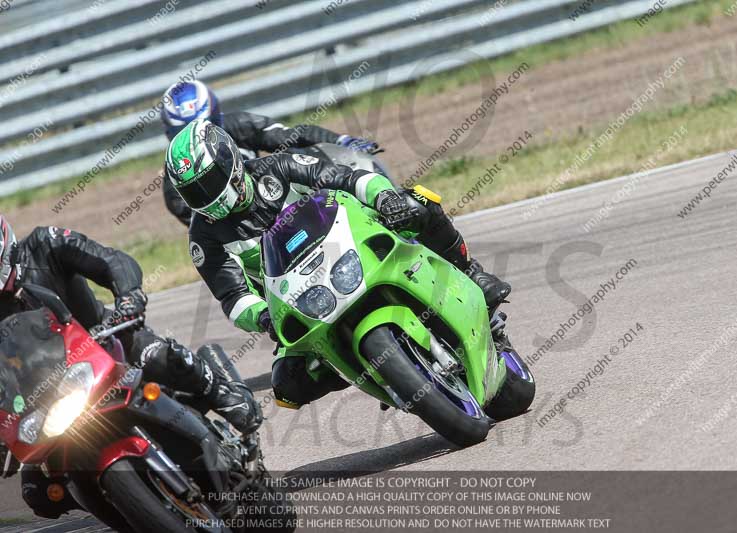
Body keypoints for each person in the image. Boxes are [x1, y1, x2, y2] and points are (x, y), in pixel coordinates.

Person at [165, 119, 512, 409]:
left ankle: (470, 272)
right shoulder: (204, 238)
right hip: (298, 300)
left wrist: (384, 196)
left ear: (230, 163)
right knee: (289, 386)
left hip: (351, 247)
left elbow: (345, 177)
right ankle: (381, 372)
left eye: (209, 182)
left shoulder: (278, 167)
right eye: (195, 191)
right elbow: (233, 297)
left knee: (417, 201)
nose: (206, 195)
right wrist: (263, 316)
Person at [0, 216, 261, 519]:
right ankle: (128, 508)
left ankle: (225, 391)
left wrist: (129, 298)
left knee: (160, 357)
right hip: (45, 402)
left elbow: (112, 261)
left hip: (109, 344)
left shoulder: (46, 244)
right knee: (39, 492)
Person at [159, 80, 379, 226]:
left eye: (204, 126)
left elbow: (289, 136)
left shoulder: (239, 125)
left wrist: (341, 141)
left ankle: (368, 207)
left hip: (272, 196)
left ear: (216, 118)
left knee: (300, 153)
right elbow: (194, 222)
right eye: (184, 132)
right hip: (238, 227)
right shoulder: (177, 174)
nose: (197, 138)